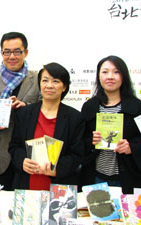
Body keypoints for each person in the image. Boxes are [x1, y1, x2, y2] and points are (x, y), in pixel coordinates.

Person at [79, 55, 141, 194]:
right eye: (105, 72)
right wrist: (91, 142)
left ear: (123, 76)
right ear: (99, 76)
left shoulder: (136, 107)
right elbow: (78, 142)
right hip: (96, 177)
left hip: (127, 178)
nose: (110, 76)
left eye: (116, 72)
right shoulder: (89, 107)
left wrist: (131, 147)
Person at [8, 62, 84, 190]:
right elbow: (14, 146)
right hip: (27, 184)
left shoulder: (75, 118)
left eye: (55, 81)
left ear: (64, 87)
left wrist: (57, 169)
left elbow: (77, 155)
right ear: (40, 85)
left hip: (59, 186)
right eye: (45, 80)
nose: (49, 85)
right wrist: (22, 161)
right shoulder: (24, 113)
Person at [0, 31, 40, 190]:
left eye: (17, 51)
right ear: (1, 53)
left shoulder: (38, 79)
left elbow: (45, 109)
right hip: (0, 152)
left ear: (25, 53)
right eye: (7, 52)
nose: (11, 56)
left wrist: (26, 106)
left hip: (29, 153)